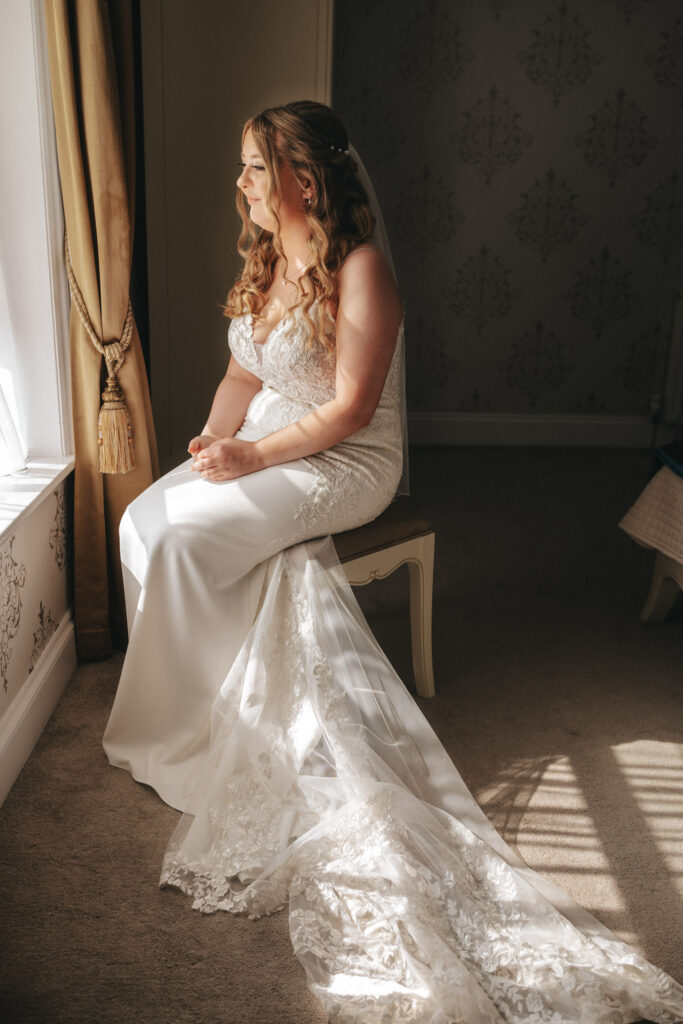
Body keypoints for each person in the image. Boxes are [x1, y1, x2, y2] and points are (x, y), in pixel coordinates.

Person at [104, 101, 683, 1023]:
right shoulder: (266, 260)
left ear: (304, 179)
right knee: (141, 523)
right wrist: (213, 442)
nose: (241, 185)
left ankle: (202, 737)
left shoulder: (361, 270)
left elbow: (346, 409)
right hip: (258, 439)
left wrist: (248, 460)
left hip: (342, 463)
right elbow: (244, 376)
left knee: (185, 537)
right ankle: (194, 699)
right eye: (244, 168)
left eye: (255, 168)